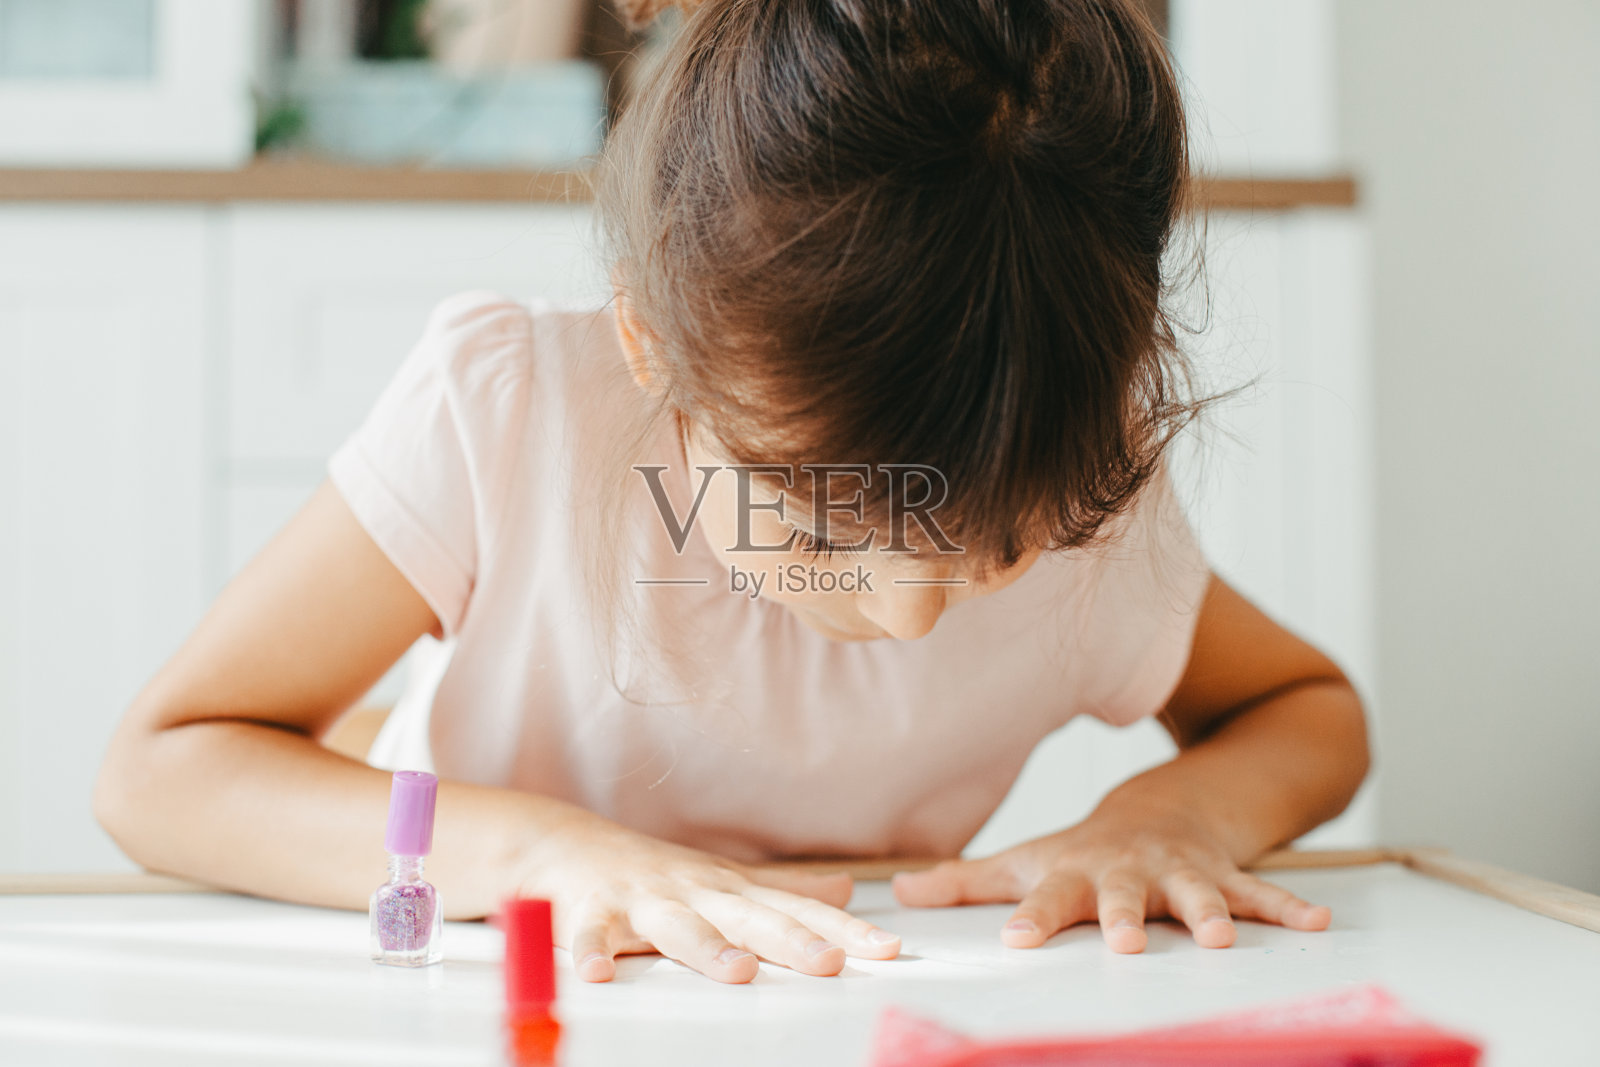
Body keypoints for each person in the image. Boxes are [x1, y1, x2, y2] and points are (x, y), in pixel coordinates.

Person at [95, 0, 1370, 984]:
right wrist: (536, 851)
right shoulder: (512, 412)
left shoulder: (1075, 475)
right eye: (824, 522)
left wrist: (1169, 815)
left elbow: (1306, 708)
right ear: (657, 351)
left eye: (1004, 538)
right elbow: (161, 769)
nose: (915, 608)